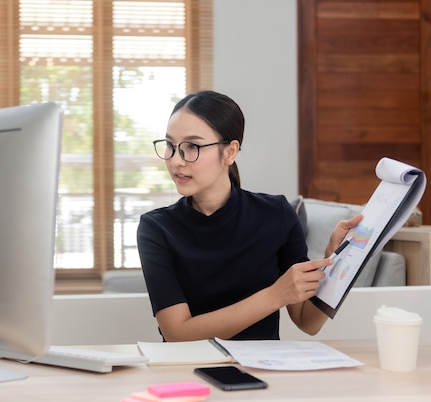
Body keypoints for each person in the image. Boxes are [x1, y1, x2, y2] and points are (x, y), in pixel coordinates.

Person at [136, 90, 362, 342]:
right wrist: (274, 295)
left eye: (192, 146)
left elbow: (307, 321)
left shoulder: (277, 214)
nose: (176, 160)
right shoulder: (156, 228)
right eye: (170, 146)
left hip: (263, 371)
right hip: (188, 372)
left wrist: (336, 260)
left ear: (230, 152)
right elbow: (178, 334)